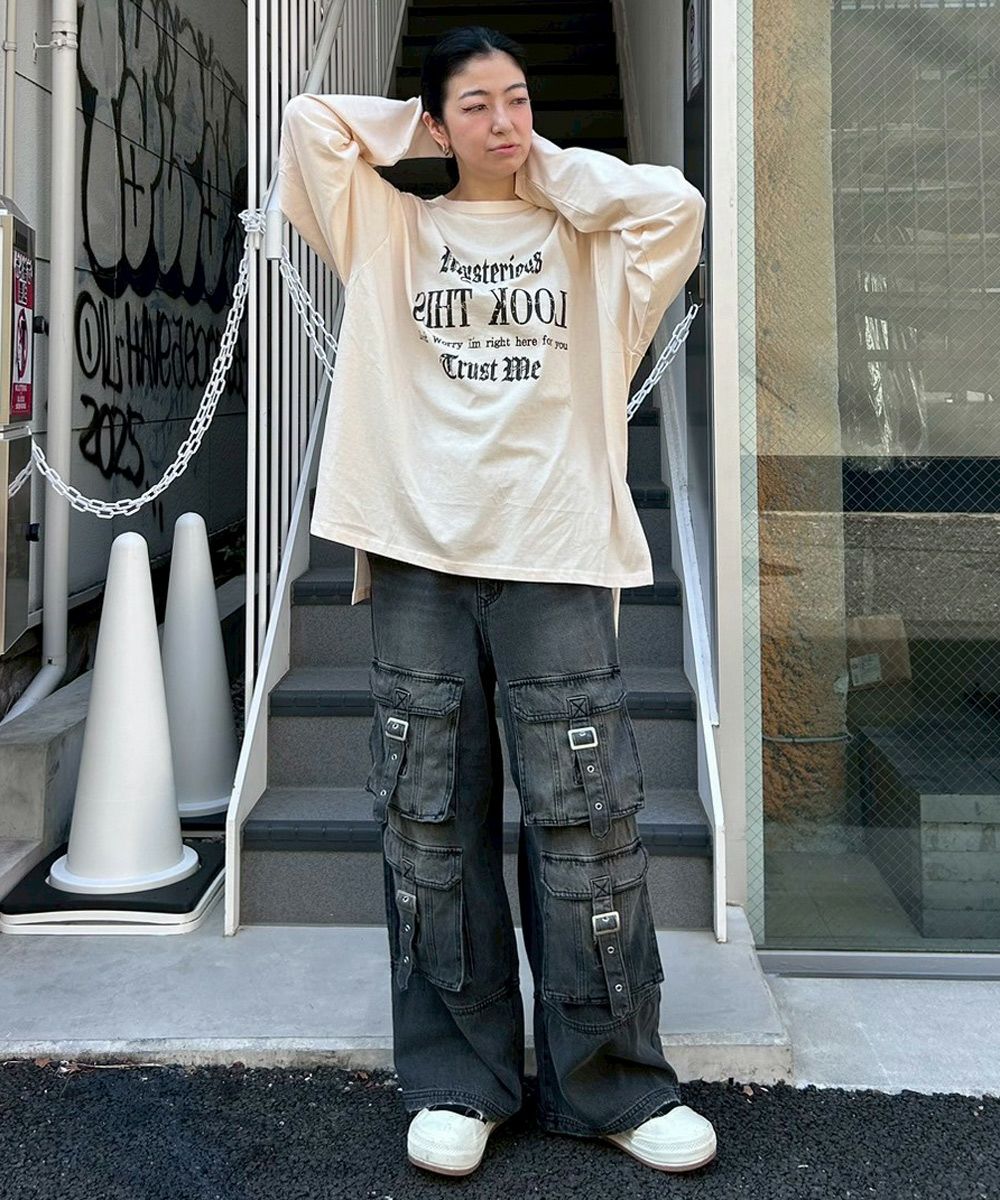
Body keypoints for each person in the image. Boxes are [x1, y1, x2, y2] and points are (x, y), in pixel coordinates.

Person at [278, 23, 714, 1179]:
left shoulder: (592, 246)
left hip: (554, 553)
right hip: (419, 554)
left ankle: (612, 1081)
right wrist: (421, 137)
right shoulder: (390, 230)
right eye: (474, 104)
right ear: (434, 122)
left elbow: (677, 206)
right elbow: (307, 126)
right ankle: (458, 1081)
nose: (504, 120)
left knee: (586, 826)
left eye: (517, 98)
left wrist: (545, 167)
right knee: (429, 824)